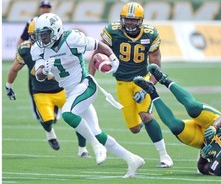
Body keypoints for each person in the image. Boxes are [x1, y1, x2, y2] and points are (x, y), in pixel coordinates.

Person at [31, 13, 144, 178]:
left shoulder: (71, 39)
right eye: (39, 34)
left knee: (68, 114)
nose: (42, 38)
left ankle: (96, 146)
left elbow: (98, 45)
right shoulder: (38, 49)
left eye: (45, 34)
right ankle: (132, 159)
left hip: (85, 85)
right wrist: (44, 70)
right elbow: (39, 76)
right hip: (72, 92)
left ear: (55, 31)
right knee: (97, 132)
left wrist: (113, 58)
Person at [132, 64, 221, 176]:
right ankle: (163, 79)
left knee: (175, 127)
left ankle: (151, 92)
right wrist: (215, 126)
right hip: (215, 124)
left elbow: (202, 168)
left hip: (204, 140)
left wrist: (203, 157)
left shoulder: (220, 170)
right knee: (193, 108)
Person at [89, 2, 173, 168]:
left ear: (141, 21)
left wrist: (149, 86)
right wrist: (90, 78)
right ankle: (144, 121)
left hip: (142, 79)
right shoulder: (112, 31)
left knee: (146, 116)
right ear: (121, 19)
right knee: (134, 128)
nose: (130, 23)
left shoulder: (151, 34)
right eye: (127, 20)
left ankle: (165, 156)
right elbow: (97, 55)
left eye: (134, 20)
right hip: (122, 82)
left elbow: (156, 66)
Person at [5, 18, 90, 157]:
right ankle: (50, 133)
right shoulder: (26, 49)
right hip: (40, 92)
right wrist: (9, 86)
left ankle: (82, 149)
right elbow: (15, 68)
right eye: (36, 35)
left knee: (76, 116)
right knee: (46, 120)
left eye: (44, 34)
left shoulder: (57, 45)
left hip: (61, 89)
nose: (41, 39)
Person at [15, 0, 53, 131]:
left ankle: (55, 111)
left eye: (48, 6)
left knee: (56, 82)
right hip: (36, 56)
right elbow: (23, 37)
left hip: (50, 55)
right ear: (39, 8)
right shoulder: (32, 21)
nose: (45, 9)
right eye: (43, 6)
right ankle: (39, 112)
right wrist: (20, 54)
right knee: (33, 82)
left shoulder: (54, 20)